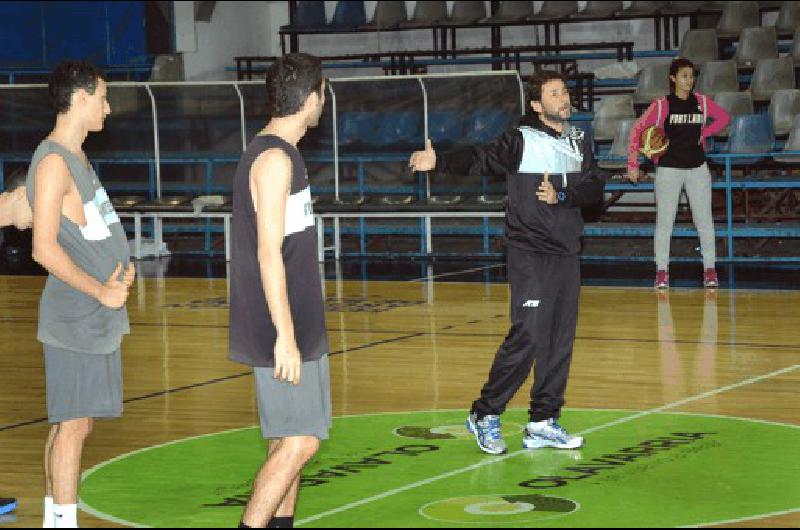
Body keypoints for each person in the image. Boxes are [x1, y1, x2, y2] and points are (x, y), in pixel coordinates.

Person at [409, 70, 605, 455]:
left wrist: (563, 195)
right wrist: (440, 160)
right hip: (529, 250)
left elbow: (596, 186)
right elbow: (482, 157)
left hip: (566, 251)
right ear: (536, 104)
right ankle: (485, 412)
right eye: (553, 93)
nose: (562, 98)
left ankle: (542, 421)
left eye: (564, 92)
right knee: (530, 333)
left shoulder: (579, 140)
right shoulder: (521, 139)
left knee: (557, 340)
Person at [26, 60, 135, 529]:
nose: (108, 108)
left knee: (75, 422)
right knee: (72, 425)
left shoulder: (75, 159)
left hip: (94, 317)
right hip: (75, 316)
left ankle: (55, 520)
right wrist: (101, 292)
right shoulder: (53, 162)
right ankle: (63, 524)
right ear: (81, 97)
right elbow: (43, 249)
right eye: (103, 98)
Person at [229, 53, 330, 529]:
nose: (323, 103)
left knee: (287, 442)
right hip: (282, 327)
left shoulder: (284, 153)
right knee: (300, 442)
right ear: (312, 99)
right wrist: (285, 336)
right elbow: (268, 253)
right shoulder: (272, 159)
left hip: (296, 319)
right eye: (323, 94)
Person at [627, 57, 731, 290]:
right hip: (668, 170)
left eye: (692, 76)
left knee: (704, 222)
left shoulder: (702, 103)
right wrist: (632, 163)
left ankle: (710, 270)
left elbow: (725, 117)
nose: (689, 80)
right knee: (665, 224)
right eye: (684, 76)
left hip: (697, 169)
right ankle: (662, 272)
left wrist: (706, 132)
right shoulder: (662, 105)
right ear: (673, 78)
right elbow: (637, 129)